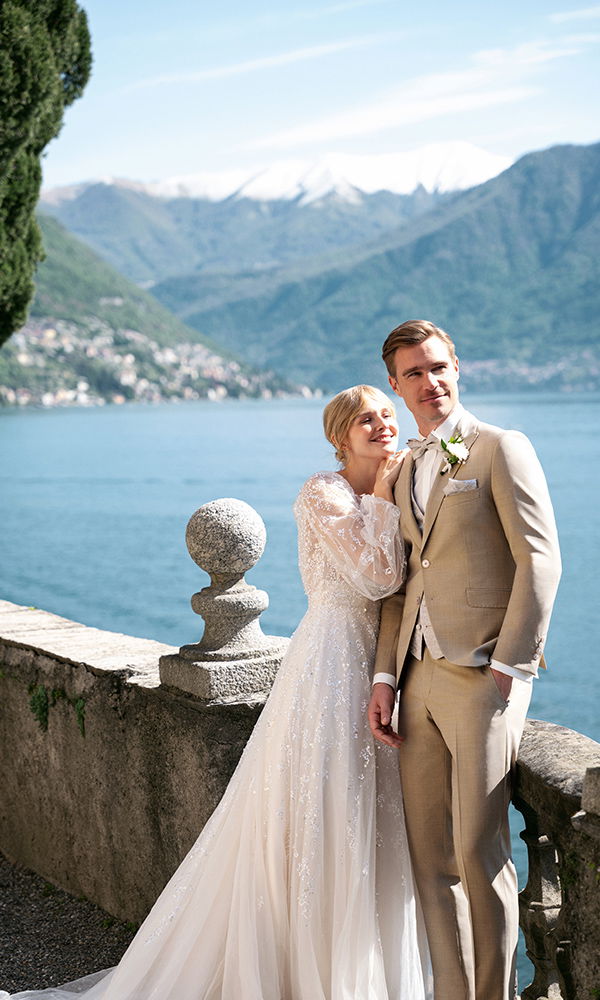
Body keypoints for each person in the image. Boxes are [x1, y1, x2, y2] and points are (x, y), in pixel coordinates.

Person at [6, 386, 431, 1000]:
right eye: (365, 419)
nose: (382, 425)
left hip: (385, 659)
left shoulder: (401, 480)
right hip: (334, 660)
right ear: (340, 436)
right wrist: (387, 497)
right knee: (328, 801)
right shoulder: (325, 492)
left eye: (387, 414)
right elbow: (377, 577)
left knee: (379, 805)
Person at [367, 320, 562, 1000]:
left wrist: (510, 667)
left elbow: (540, 560)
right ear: (396, 386)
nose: (430, 383)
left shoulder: (501, 447)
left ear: (458, 368)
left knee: (481, 857)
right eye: (414, 374)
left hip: (482, 679)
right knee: (430, 859)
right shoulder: (404, 468)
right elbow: (402, 583)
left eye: (438, 367)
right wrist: (386, 677)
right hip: (415, 681)